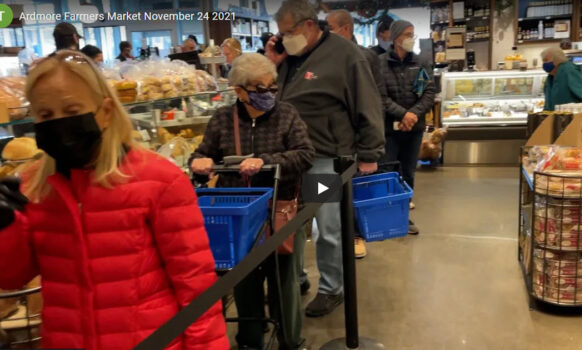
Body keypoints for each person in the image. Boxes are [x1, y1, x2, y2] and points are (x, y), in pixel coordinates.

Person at [0, 50, 229, 349]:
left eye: (71, 110)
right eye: (45, 115)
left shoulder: (159, 180)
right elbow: (13, 277)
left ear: (105, 111)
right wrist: (7, 227)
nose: (58, 124)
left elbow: (196, 287)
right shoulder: (34, 185)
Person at [266, 0, 385, 317]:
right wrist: (274, 62)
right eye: (280, 33)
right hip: (291, 160)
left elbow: (368, 104)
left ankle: (332, 288)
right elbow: (273, 100)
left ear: (308, 25)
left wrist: (370, 153)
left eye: (287, 32)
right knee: (292, 223)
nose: (284, 37)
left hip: (325, 158)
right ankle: (299, 279)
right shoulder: (290, 57)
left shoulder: (345, 55)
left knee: (327, 228)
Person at [190, 53, 315, 350]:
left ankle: (290, 341)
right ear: (239, 91)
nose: (269, 94)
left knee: (284, 281)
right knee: (244, 281)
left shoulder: (287, 115)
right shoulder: (222, 119)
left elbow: (305, 154)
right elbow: (199, 155)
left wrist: (265, 161)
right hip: (237, 215)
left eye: (272, 87)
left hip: (280, 210)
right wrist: (199, 162)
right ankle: (250, 340)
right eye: (260, 89)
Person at [326, 9, 382, 259]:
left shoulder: (363, 58)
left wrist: (369, 150)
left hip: (349, 150)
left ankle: (356, 236)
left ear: (345, 29)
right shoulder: (321, 58)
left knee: (353, 197)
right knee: (325, 217)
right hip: (321, 157)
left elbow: (372, 103)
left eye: (329, 28)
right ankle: (331, 276)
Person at [380, 20, 436, 235]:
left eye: (412, 33)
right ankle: (386, 217)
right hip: (388, 129)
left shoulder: (421, 62)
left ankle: (403, 217)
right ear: (395, 38)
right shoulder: (379, 64)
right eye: (407, 34)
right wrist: (403, 114)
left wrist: (412, 115)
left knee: (408, 173)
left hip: (414, 129)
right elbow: (379, 97)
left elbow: (428, 92)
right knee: (387, 172)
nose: (411, 38)